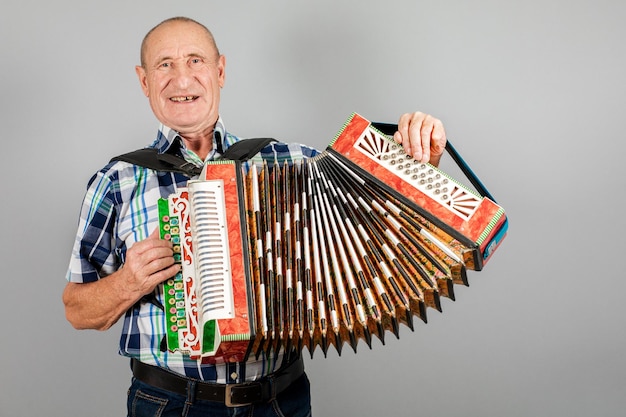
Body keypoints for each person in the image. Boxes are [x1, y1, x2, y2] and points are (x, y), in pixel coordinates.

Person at [63, 16, 447, 417]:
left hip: (281, 400)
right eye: (164, 65)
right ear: (144, 82)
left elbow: (376, 229)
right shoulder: (117, 181)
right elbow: (76, 308)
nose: (181, 79)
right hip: (172, 403)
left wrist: (419, 158)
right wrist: (129, 282)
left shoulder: (293, 164)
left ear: (220, 70)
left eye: (195, 60)